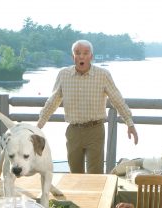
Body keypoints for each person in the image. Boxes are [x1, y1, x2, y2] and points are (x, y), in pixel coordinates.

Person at [37, 40, 138, 174]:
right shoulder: (63, 74)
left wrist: (129, 123)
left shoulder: (103, 75)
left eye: (85, 53)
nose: (81, 56)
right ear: (73, 56)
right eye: (78, 53)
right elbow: (53, 101)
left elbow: (117, 100)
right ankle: (77, 196)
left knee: (95, 174)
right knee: (75, 173)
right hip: (73, 131)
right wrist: (38, 125)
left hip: (95, 131)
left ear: (91, 56)